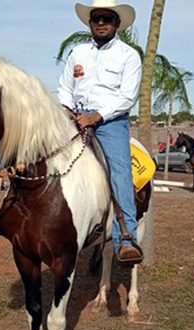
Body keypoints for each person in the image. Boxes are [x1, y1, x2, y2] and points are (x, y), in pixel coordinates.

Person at [57, 0, 142, 264]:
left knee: (119, 172)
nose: (101, 23)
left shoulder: (129, 55)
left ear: (117, 24)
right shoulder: (77, 53)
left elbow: (128, 96)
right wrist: (68, 110)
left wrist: (98, 115)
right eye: (96, 18)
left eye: (107, 18)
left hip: (110, 123)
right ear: (90, 23)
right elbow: (65, 87)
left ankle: (125, 238)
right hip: (74, 117)